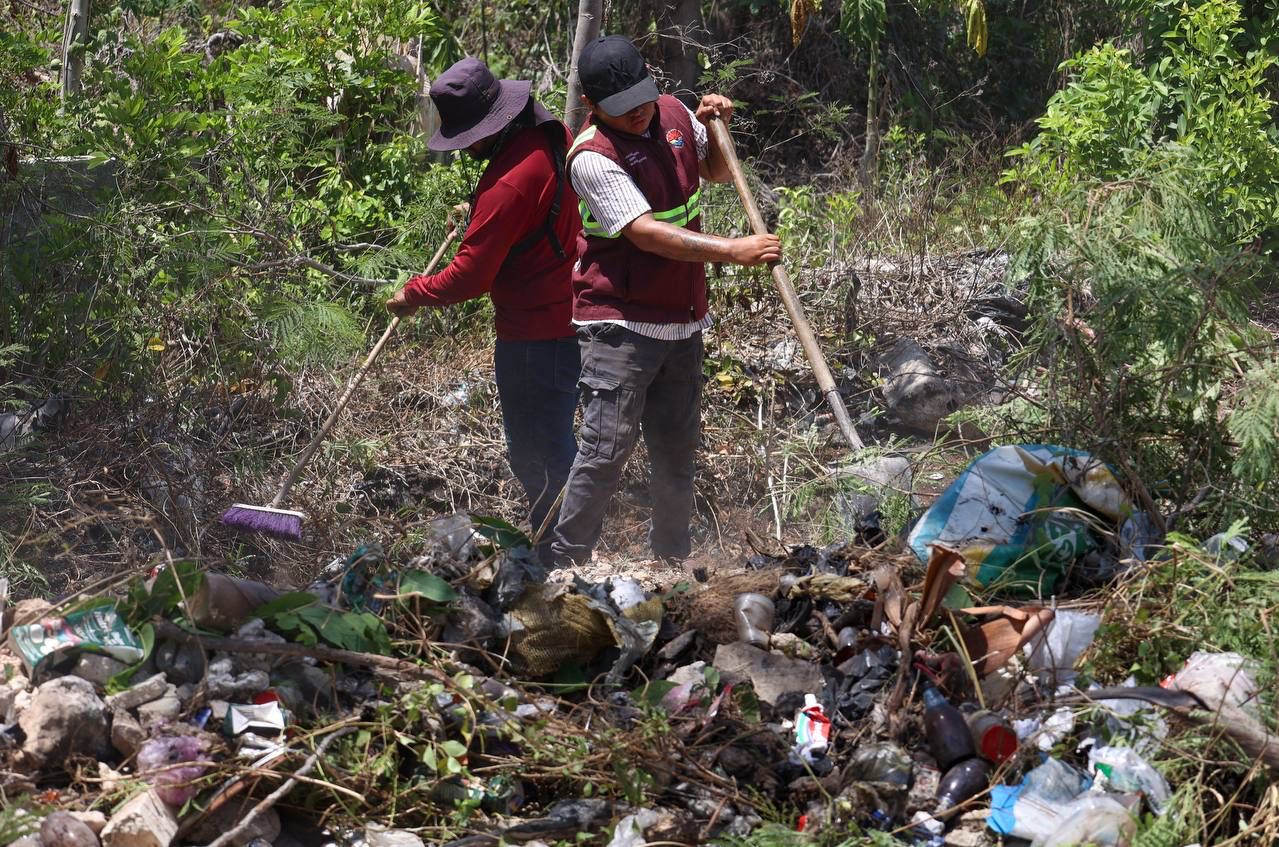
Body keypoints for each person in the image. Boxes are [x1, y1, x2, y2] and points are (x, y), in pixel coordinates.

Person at [549, 35, 782, 567]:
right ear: (592, 105)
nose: (638, 114)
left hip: (681, 318)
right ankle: (565, 563)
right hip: (621, 323)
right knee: (605, 450)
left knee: (677, 450)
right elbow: (646, 233)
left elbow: (715, 171)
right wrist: (733, 250)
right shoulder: (591, 157)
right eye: (622, 108)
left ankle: (672, 561)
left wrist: (717, 129)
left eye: (642, 99)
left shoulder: (674, 112)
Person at [386, 57, 581, 560]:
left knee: (538, 451)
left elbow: (470, 278)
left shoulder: (508, 183)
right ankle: (565, 543)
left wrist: (414, 293)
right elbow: (526, 213)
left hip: (536, 334)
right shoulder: (544, 134)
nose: (466, 148)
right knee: (553, 441)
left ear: (489, 126)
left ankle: (563, 552)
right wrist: (480, 215)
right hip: (566, 313)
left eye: (467, 137)